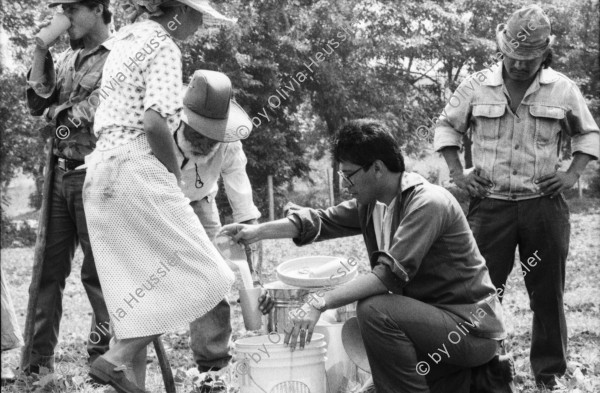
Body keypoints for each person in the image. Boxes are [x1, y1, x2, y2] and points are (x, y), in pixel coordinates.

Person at [222, 119, 510, 393]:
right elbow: (320, 221)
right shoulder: (373, 204)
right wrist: (257, 232)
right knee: (369, 323)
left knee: (374, 309)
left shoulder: (427, 203)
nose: (346, 183)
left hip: (469, 330)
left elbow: (388, 276)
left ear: (377, 168)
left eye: (349, 174)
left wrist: (319, 301)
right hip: (435, 326)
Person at [82, 2, 271, 392]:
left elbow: (241, 193)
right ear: (180, 11)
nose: (201, 23)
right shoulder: (164, 45)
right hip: (136, 168)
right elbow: (154, 121)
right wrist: (170, 178)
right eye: (199, 13)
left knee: (130, 298)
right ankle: (116, 358)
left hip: (101, 170)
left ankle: (128, 377)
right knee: (213, 277)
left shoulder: (125, 39)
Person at [434, 5, 599, 389]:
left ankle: (550, 374)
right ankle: (485, 370)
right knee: (482, 293)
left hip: (543, 206)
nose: (521, 65)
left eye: (531, 58)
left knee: (547, 292)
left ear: (545, 54)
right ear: (502, 48)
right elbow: (446, 127)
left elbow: (588, 135)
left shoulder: (562, 88)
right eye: (515, 57)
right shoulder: (475, 86)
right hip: (489, 207)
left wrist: (571, 174)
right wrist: (458, 175)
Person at [25, 0, 113, 373]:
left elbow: (90, 113)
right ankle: (37, 365)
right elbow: (36, 103)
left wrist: (54, 114)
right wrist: (40, 49)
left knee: (100, 275)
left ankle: (103, 361)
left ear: (97, 8)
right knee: (48, 271)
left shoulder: (119, 56)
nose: (64, 19)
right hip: (59, 173)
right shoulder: (65, 59)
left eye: (71, 10)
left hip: (97, 176)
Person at [174, 70, 261, 380]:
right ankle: (119, 357)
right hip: (157, 201)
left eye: (214, 134)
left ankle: (212, 365)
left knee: (213, 275)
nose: (206, 141)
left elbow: (241, 196)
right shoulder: (159, 125)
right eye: (199, 133)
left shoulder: (229, 143)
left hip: (201, 202)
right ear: (183, 120)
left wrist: (250, 240)